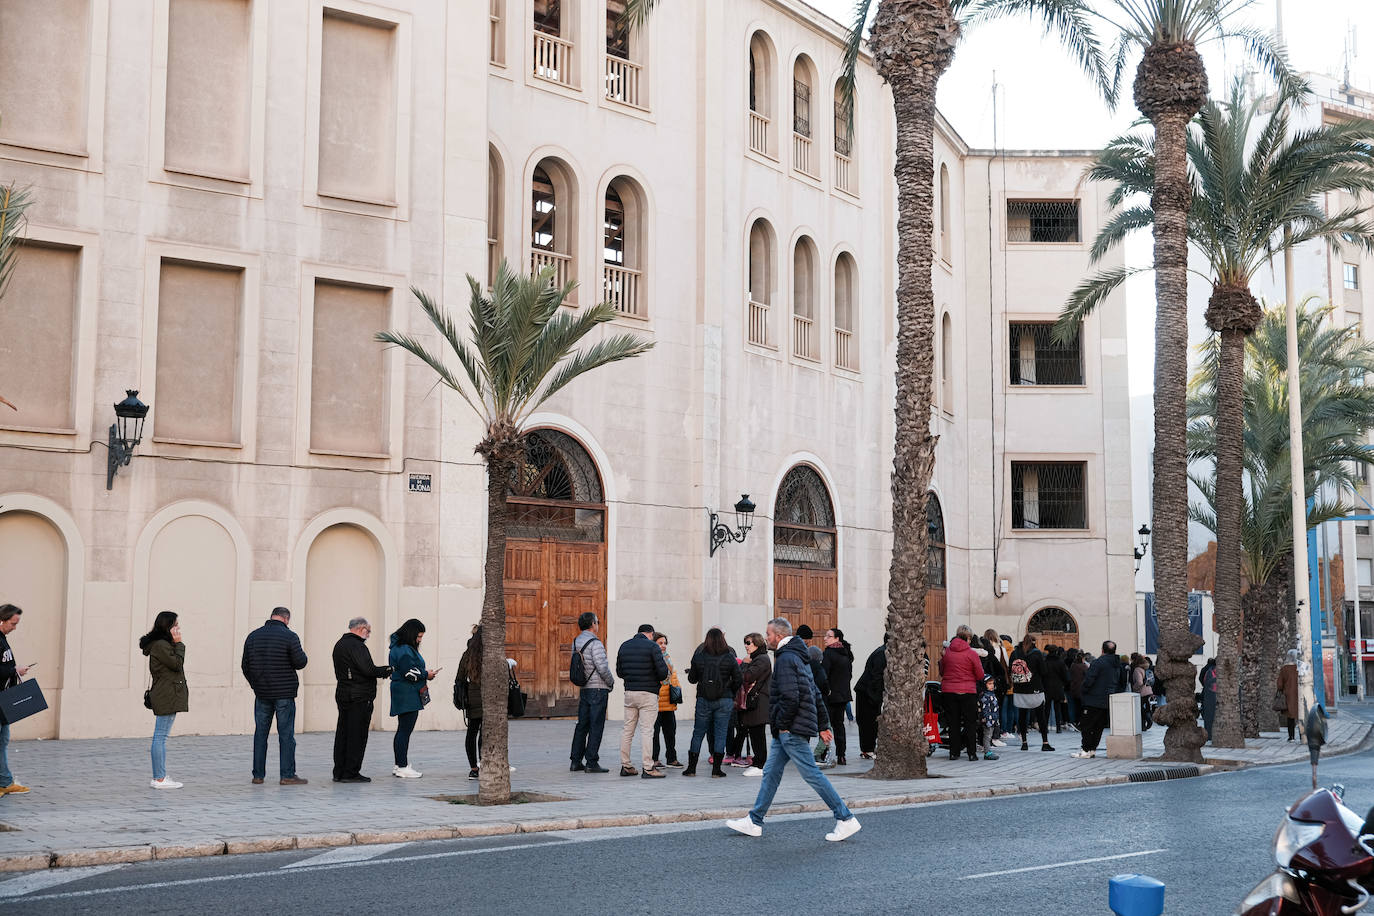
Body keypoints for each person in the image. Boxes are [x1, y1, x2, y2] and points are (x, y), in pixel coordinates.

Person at [726, 617, 861, 842]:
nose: (766, 638)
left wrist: (786, 726)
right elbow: (814, 691)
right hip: (787, 729)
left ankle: (845, 818)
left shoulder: (787, 658)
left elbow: (791, 697)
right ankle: (755, 820)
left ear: (778, 636)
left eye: (768, 634)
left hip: (791, 728)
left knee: (812, 774)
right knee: (771, 773)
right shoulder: (798, 655)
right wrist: (822, 725)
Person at [241, 606, 309, 785]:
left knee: (260, 734)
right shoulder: (290, 636)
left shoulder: (253, 636)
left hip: (262, 693)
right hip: (284, 694)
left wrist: (256, 684)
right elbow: (300, 662)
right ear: (286, 619)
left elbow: (245, 665)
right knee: (286, 735)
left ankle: (258, 775)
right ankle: (287, 775)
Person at [330, 617, 391, 783]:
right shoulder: (357, 646)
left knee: (343, 733)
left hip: (343, 694)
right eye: (368, 631)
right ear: (361, 629)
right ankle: (350, 772)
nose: (369, 634)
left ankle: (339, 771)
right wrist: (387, 670)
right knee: (357, 735)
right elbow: (368, 669)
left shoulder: (340, 644)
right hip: (359, 696)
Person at [684, 627, 741, 777]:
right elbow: (738, 679)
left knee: (698, 733)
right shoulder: (729, 657)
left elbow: (692, 679)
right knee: (721, 733)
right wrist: (730, 692)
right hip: (724, 700)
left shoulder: (699, 656)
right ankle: (716, 770)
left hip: (703, 699)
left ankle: (691, 768)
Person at [140, 611, 188, 789]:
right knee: (160, 736)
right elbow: (176, 664)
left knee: (161, 735)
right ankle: (159, 778)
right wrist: (179, 644)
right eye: (176, 625)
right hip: (166, 694)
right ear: (167, 626)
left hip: (166, 692)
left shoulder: (161, 644)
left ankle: (159, 776)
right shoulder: (161, 645)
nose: (178, 628)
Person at [616, 623, 669, 778]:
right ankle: (648, 767)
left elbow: (620, 672)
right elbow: (662, 672)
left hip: (630, 693)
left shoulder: (624, 646)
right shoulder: (652, 647)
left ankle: (626, 766)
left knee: (627, 730)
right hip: (648, 694)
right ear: (651, 634)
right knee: (647, 731)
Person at [387, 618, 438, 779]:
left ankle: (399, 764)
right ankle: (402, 766)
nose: (420, 640)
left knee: (403, 729)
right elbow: (409, 672)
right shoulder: (404, 650)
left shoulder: (399, 647)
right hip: (407, 692)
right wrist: (426, 674)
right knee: (405, 730)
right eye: (419, 636)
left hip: (403, 691)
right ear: (411, 634)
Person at [570, 612, 614, 774]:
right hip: (598, 688)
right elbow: (602, 667)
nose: (598, 625)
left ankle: (575, 761)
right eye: (597, 622)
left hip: (585, 688)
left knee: (582, 725)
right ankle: (591, 762)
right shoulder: (596, 643)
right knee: (596, 725)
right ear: (592, 624)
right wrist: (611, 682)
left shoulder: (576, 642)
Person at [939, 625, 985, 761]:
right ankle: (971, 753)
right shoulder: (971, 653)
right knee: (970, 722)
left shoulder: (947, 652)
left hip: (949, 691)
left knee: (953, 723)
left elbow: (942, 671)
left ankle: (954, 753)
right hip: (967, 691)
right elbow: (980, 674)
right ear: (969, 638)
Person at [1072, 640, 1124, 758]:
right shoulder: (1117, 664)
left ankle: (1086, 749)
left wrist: (1083, 691)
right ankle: (1092, 749)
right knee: (1098, 727)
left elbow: (1089, 680)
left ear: (1102, 650)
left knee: (1086, 725)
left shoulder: (1098, 662)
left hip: (1093, 699)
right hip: (1107, 699)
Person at [736, 632, 772, 776]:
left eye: (748, 643)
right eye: (745, 642)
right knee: (755, 733)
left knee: (757, 733)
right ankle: (758, 762)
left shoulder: (761, 659)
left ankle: (760, 764)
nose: (746, 646)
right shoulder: (757, 658)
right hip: (755, 701)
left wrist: (744, 664)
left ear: (757, 643)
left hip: (759, 702)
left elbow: (747, 676)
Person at [1009, 635, 1053, 751]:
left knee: (1022, 717)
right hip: (1035, 689)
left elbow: (1010, 669)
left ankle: (1024, 743)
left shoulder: (1015, 653)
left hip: (1019, 689)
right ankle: (1045, 742)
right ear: (1033, 642)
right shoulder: (1036, 653)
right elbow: (1044, 671)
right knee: (1040, 717)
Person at [821, 628, 854, 765]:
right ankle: (841, 755)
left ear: (837, 639)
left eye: (829, 636)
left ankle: (823, 755)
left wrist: (825, 691)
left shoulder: (828, 654)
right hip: (842, 696)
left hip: (830, 696)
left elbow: (824, 676)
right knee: (839, 725)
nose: (825, 638)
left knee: (825, 726)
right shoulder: (846, 654)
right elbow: (849, 675)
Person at [651, 632, 683, 769]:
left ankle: (672, 758)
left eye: (665, 643)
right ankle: (654, 759)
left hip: (668, 701)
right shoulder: (652, 659)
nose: (663, 646)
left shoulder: (667, 658)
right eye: (660, 643)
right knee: (654, 733)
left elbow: (672, 677)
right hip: (656, 701)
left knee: (670, 732)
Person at [456, 626, 484, 779]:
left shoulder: (468, 655)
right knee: (485, 734)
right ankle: (484, 763)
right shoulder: (490, 654)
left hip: (472, 701)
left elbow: (459, 678)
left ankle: (473, 768)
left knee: (472, 733)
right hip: (488, 700)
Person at [854, 636, 887, 758]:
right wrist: (877, 697)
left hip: (867, 691)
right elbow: (876, 676)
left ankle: (867, 749)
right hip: (868, 692)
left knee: (867, 721)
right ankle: (868, 750)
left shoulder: (881, 651)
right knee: (868, 722)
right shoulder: (882, 654)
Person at [1044, 645, 1071, 733]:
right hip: (1058, 686)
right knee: (1057, 707)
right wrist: (1064, 683)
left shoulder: (1045, 661)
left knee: (1047, 708)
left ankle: (1045, 727)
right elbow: (1065, 676)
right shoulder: (1060, 662)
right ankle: (1058, 728)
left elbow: (1042, 674)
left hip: (1047, 686)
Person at [977, 674, 1001, 759]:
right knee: (987, 736)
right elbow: (984, 709)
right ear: (984, 685)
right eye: (989, 684)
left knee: (989, 736)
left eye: (992, 684)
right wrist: (984, 717)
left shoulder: (992, 694)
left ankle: (988, 750)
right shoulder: (985, 696)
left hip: (993, 718)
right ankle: (987, 752)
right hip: (988, 720)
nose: (992, 685)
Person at [1277, 650, 1299, 741]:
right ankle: (1303, 736)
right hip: (1300, 695)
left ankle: (1291, 737)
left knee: (1290, 717)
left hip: (1289, 695)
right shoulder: (1300, 667)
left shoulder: (1284, 669)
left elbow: (1279, 684)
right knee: (1301, 715)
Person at [1130, 653, 1154, 730]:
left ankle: (1148, 719)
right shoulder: (1147, 669)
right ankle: (1143, 726)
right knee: (1146, 708)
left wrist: (1134, 688)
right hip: (1149, 691)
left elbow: (1139, 682)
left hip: (1141, 692)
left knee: (1139, 709)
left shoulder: (1137, 670)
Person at [1067, 649, 1088, 726]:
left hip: (1074, 689)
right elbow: (1088, 677)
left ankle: (1075, 721)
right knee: (1082, 707)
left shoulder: (1073, 666)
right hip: (1081, 690)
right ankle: (1081, 721)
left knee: (1075, 706)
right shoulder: (1084, 666)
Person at [1200, 656, 1219, 741]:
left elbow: (1201, 679)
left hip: (1208, 694)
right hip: (1211, 695)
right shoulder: (1211, 671)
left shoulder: (1206, 669)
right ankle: (1209, 734)